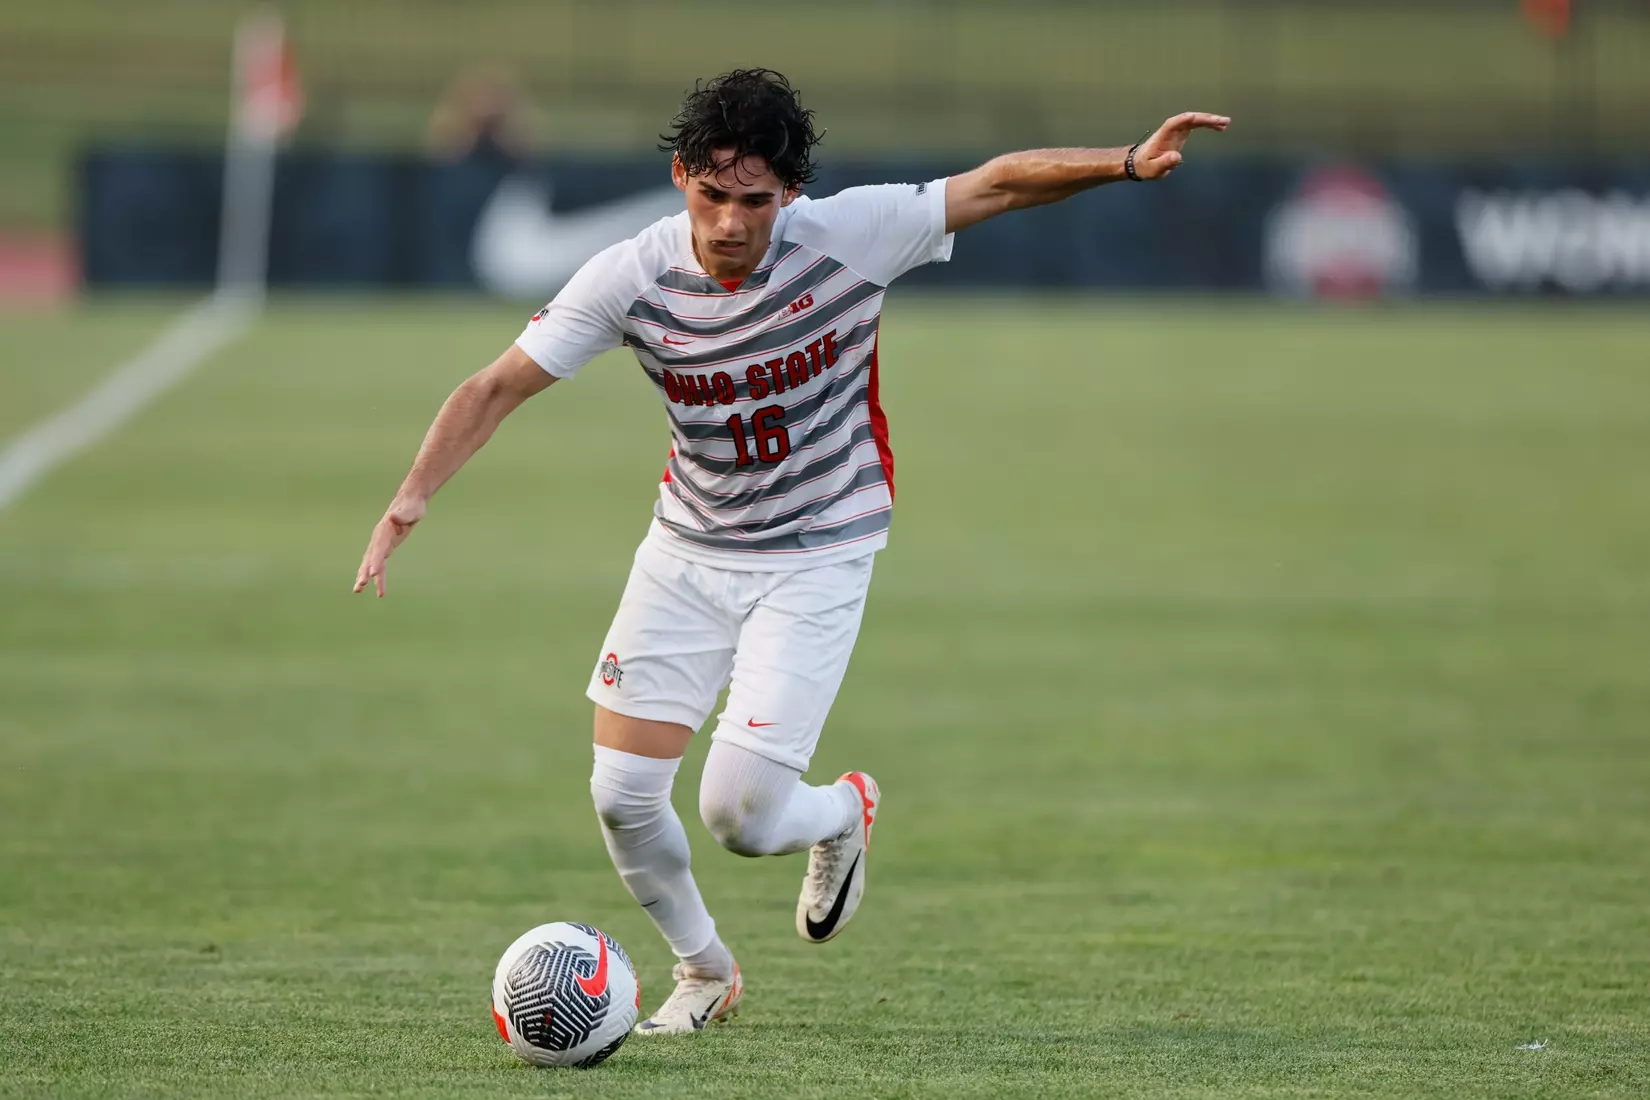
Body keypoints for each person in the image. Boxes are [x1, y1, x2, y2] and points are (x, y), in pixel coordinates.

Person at [354, 68, 1227, 1036]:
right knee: (621, 796)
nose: (731, 221)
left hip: (821, 545)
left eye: (756, 200)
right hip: (688, 547)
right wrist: (410, 496)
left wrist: (1127, 163)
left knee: (739, 815)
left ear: (791, 195)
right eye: (713, 194)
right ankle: (704, 969)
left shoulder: (852, 233)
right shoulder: (630, 275)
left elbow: (999, 182)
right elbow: (493, 386)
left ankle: (843, 810)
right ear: (683, 176)